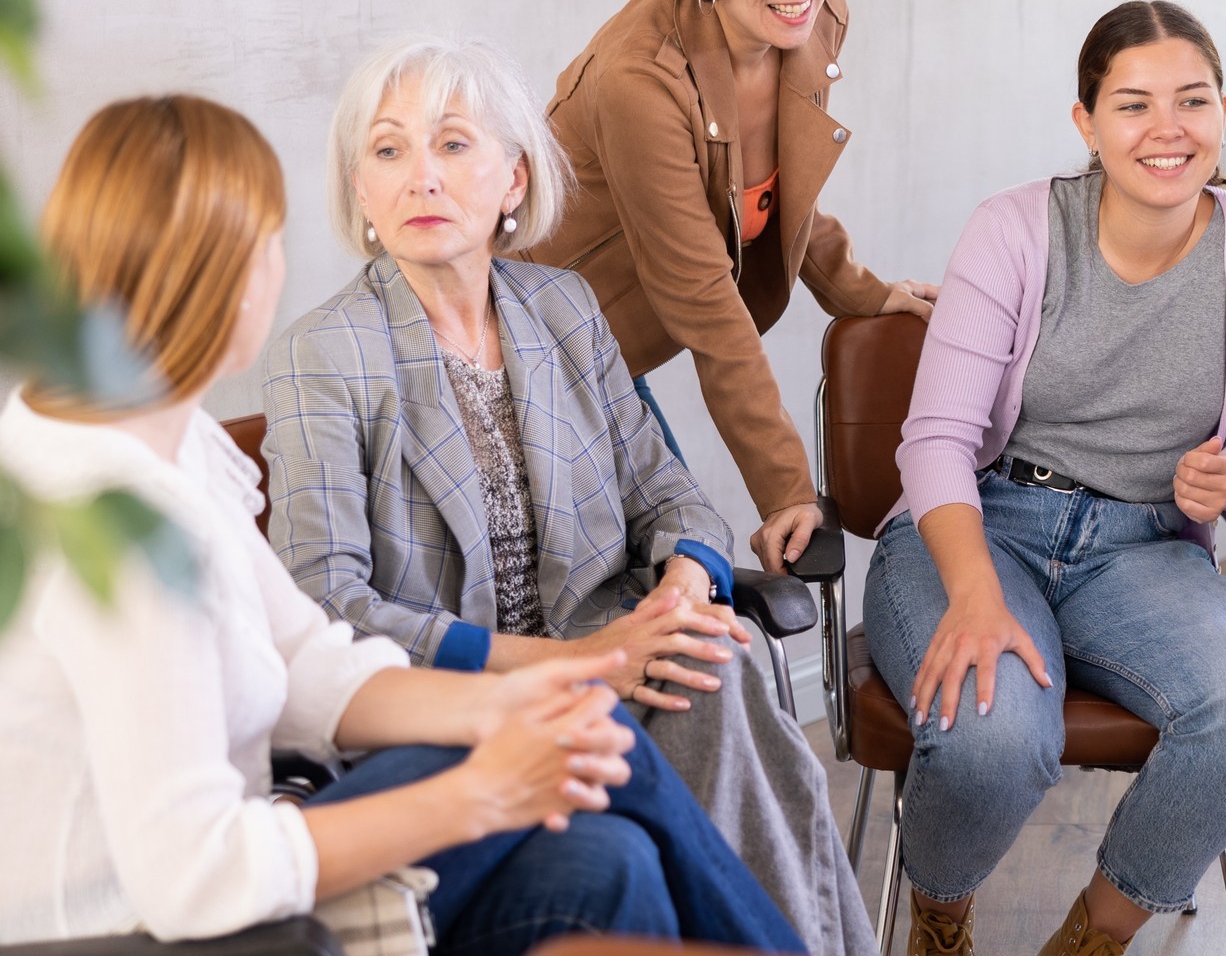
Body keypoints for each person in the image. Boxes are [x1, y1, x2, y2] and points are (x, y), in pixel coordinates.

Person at [0, 94, 799, 955]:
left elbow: (307, 661)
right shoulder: (115, 530)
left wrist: (516, 697)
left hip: (225, 888)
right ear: (226, 277)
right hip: (158, 931)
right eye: (270, 241)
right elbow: (194, 876)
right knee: (597, 738)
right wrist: (483, 787)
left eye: (454, 145)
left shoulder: (157, 429)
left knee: (612, 861)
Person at [263, 39, 873, 954]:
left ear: (514, 179)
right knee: (700, 686)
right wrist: (580, 665)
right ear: (361, 190)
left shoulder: (564, 307)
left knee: (715, 650)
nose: (420, 176)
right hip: (448, 707)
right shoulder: (328, 352)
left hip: (613, 660)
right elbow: (327, 605)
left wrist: (681, 589)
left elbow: (671, 496)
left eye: (453, 145)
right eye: (389, 151)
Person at [867, 0, 1226, 956]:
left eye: (1192, 101)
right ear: (1086, 122)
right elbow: (936, 437)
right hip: (983, 523)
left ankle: (1091, 939)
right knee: (993, 736)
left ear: (1223, 111)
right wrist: (977, 593)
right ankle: (940, 913)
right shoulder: (1016, 228)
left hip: (1143, 548)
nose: (1167, 130)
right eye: (1133, 104)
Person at [519, 0, 935, 576]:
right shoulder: (640, 82)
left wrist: (862, 292)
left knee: (679, 575)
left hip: (615, 355)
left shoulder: (814, 18)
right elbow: (704, 296)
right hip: (536, 359)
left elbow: (778, 183)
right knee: (636, 581)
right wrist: (785, 491)